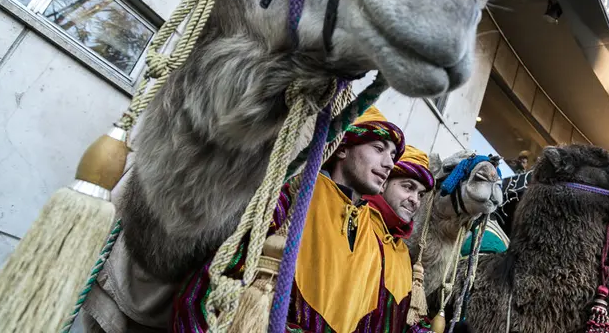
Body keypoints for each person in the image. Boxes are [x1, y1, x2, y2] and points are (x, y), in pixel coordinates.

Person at [173, 107, 436, 333]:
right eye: (379, 148)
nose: (389, 163)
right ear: (343, 148)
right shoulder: (288, 199)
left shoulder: (372, 236)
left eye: (393, 155)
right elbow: (213, 292)